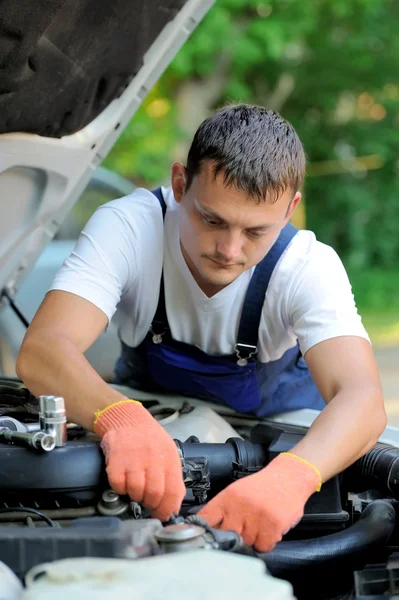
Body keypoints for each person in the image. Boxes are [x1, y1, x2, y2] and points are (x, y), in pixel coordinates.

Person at [16, 104, 386, 552]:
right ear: (178, 185)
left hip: (275, 438)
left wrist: (290, 478)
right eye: (212, 220)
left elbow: (363, 399)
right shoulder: (130, 227)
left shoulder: (306, 266)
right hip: (147, 431)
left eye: (256, 231)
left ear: (290, 210)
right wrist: (122, 419)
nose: (230, 250)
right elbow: (43, 349)